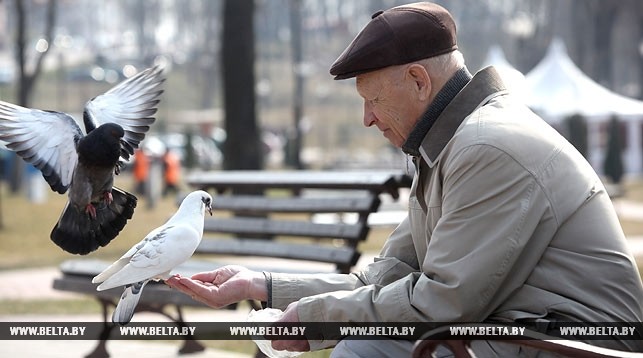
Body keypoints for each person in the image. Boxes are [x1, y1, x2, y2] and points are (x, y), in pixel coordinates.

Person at [167, 2, 643, 357]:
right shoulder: (449, 146)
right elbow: (383, 279)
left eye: (373, 100)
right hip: (522, 333)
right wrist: (263, 286)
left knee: (369, 349)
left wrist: (311, 319)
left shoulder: (484, 148)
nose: (367, 120)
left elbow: (439, 303)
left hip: (574, 344)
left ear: (419, 81)